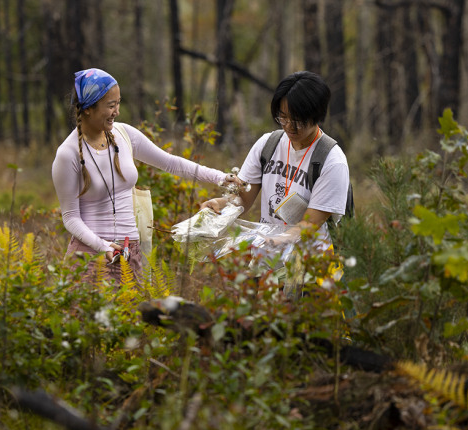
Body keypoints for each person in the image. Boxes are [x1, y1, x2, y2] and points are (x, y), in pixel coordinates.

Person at [53, 68, 236, 283]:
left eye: (118, 103)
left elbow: (171, 163)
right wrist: (102, 246)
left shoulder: (124, 134)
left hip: (131, 253)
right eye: (111, 106)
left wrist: (221, 177)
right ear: (88, 109)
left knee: (135, 316)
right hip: (90, 256)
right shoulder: (68, 154)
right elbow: (70, 217)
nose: (117, 112)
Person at [200, 71, 349, 250]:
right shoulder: (268, 145)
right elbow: (243, 199)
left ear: (317, 115)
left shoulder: (332, 161)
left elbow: (310, 224)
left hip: (310, 267)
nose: (288, 126)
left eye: (297, 120)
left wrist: (278, 240)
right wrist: (220, 205)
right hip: (266, 262)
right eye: (283, 117)